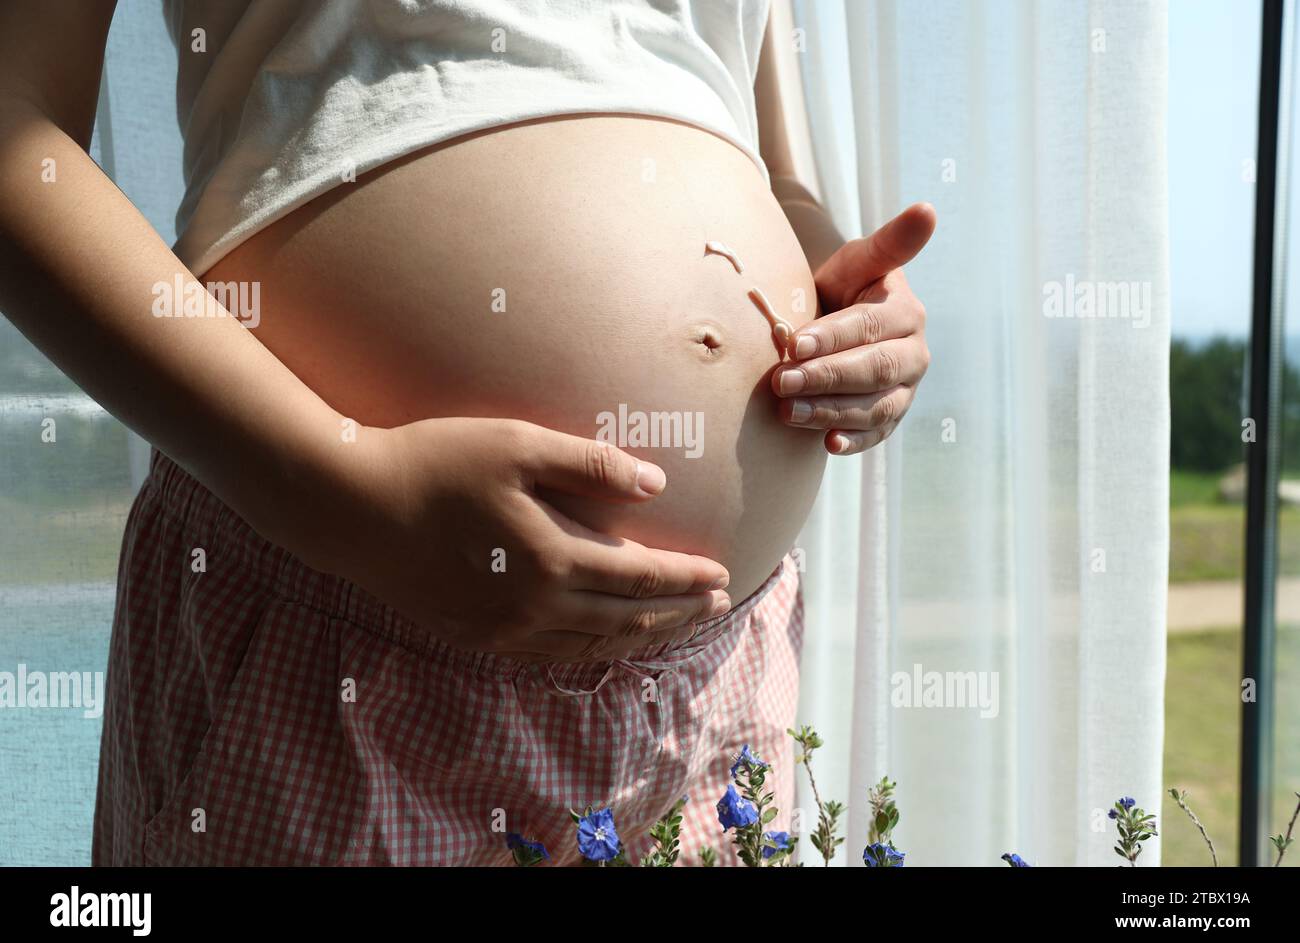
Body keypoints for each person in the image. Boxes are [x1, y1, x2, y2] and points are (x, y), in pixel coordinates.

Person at [0, 0, 933, 865]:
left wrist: (851, 305)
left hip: (716, 676)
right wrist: (345, 489)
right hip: (334, 645)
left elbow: (756, 149)